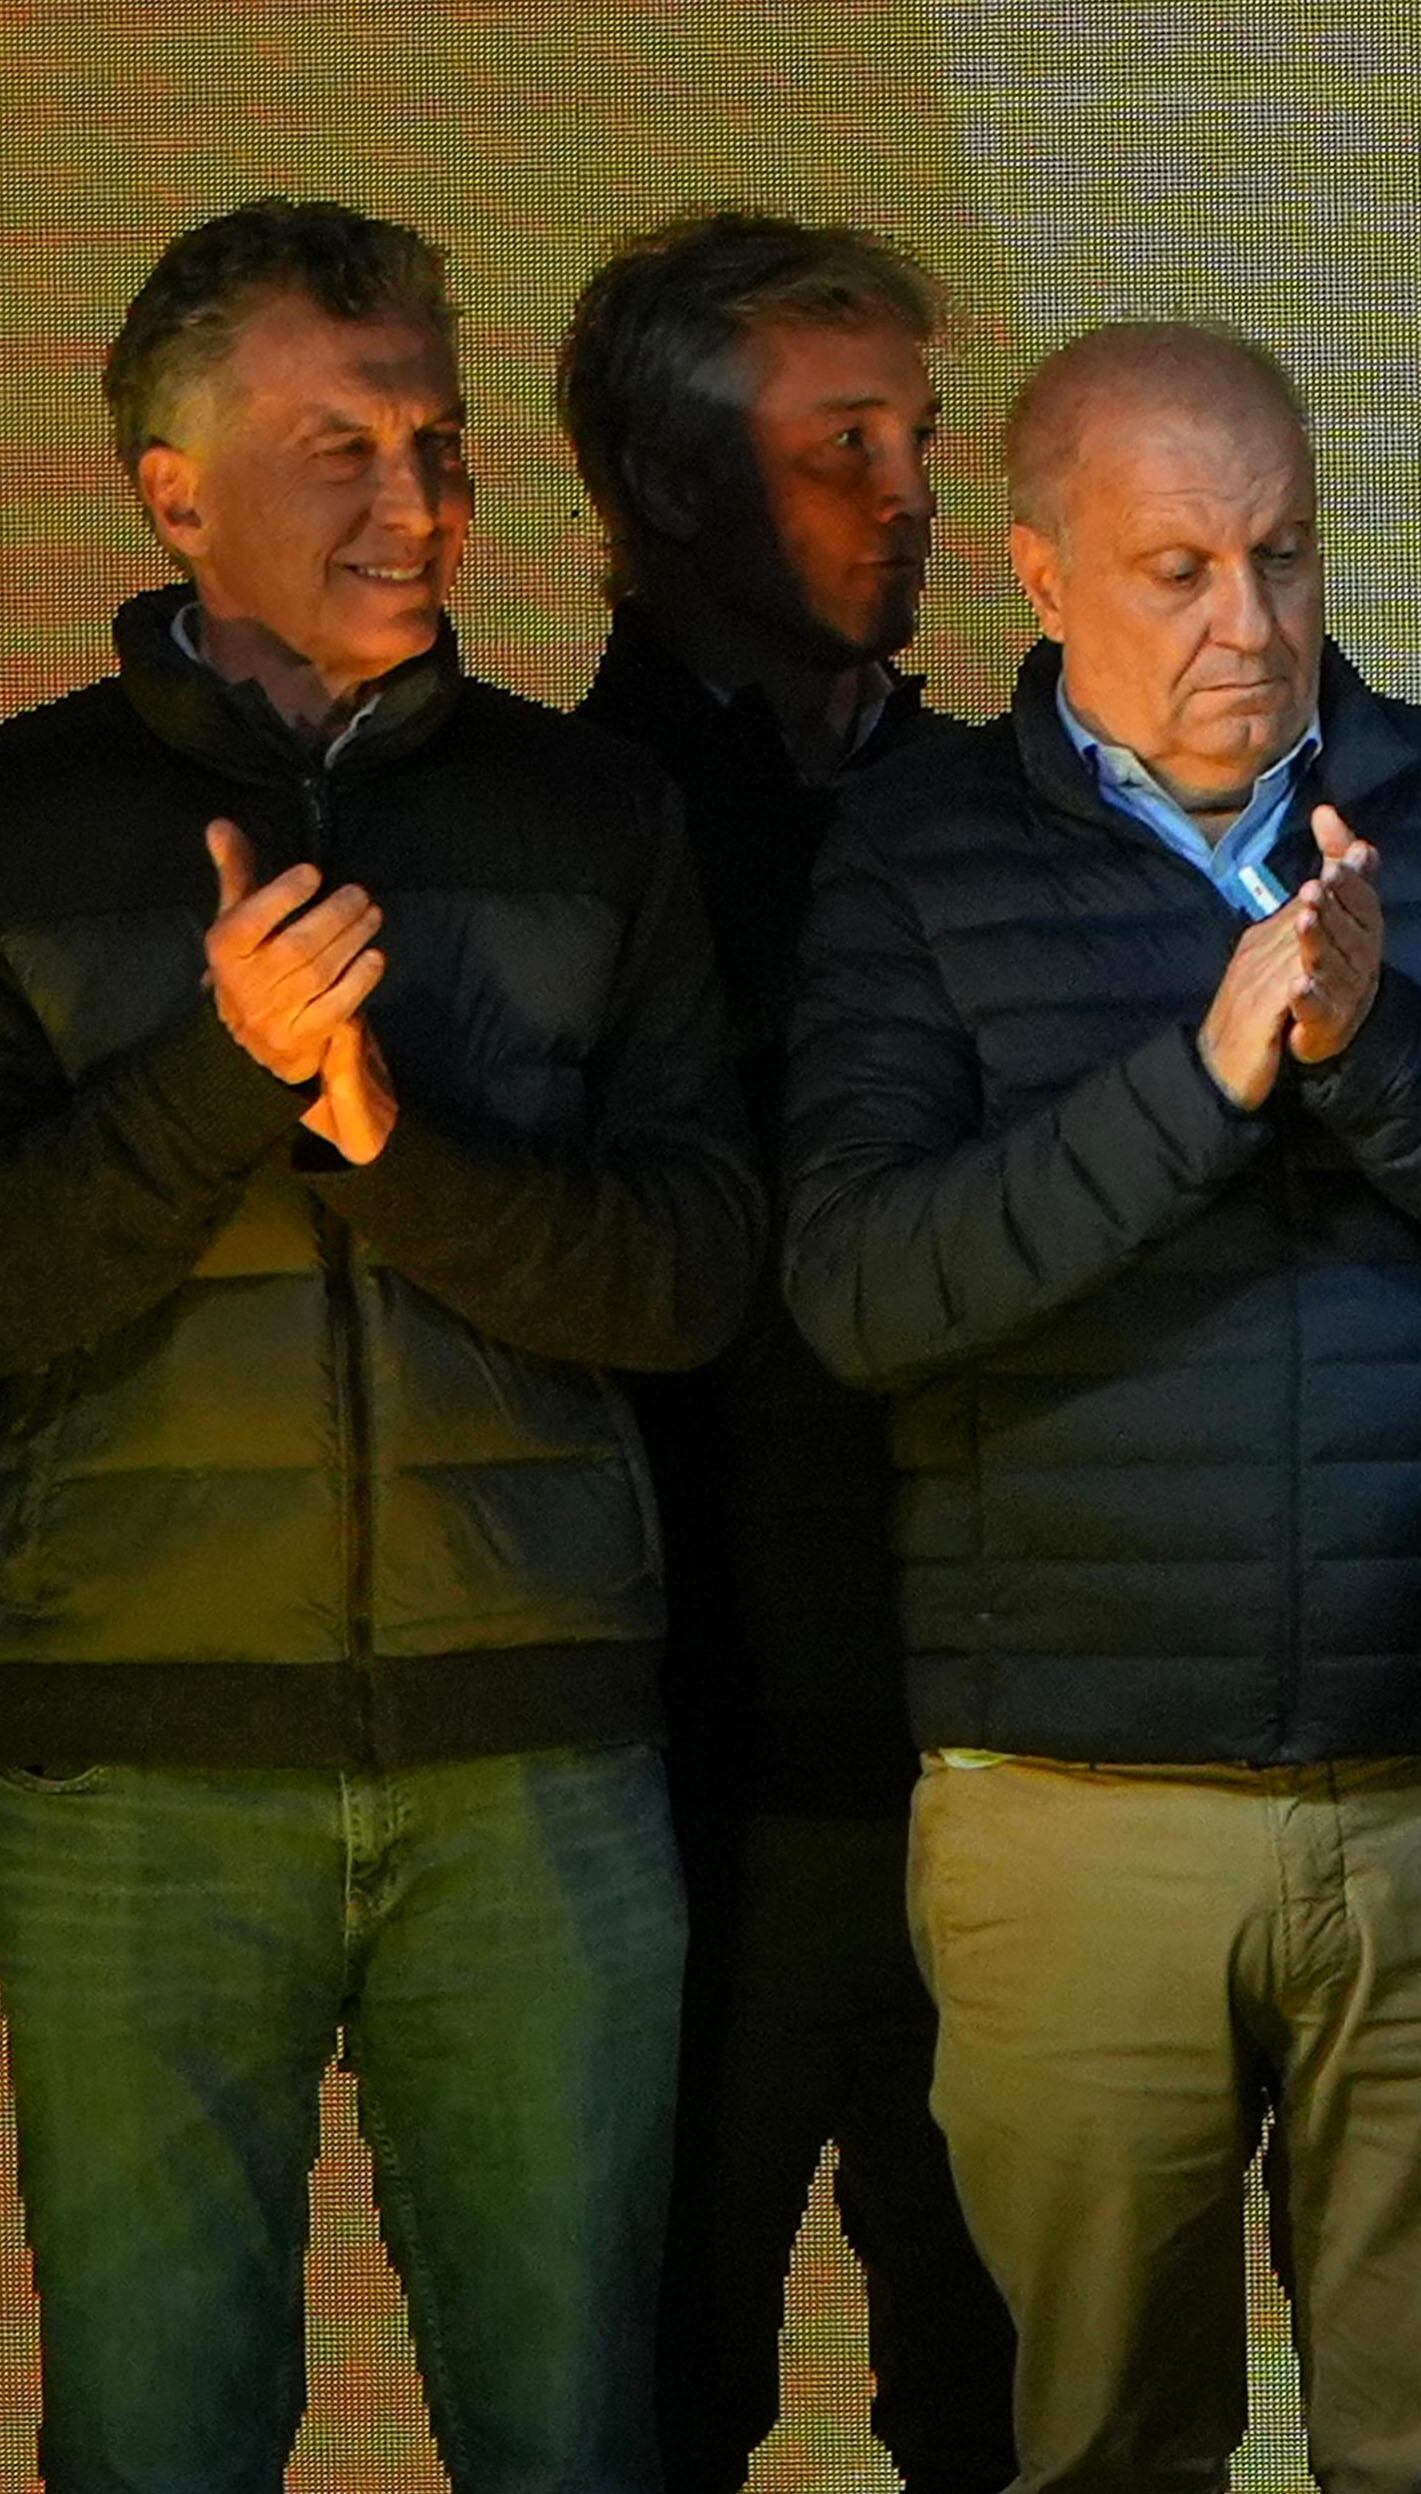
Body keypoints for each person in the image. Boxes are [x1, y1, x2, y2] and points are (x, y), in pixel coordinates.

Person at [781, 319, 1421, 2493]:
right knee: (1102, 2446)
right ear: (1036, 573)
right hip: (1071, 1813)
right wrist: (1201, 1074)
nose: (1251, 621)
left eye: (1281, 554)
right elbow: (860, 1286)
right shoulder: (919, 851)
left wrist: (1376, 1043)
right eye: (1176, 567)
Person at [0, 201, 756, 2486]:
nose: (418, 503)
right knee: (153, 2444)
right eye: (340, 444)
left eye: (438, 440)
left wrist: (376, 1132)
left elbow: (693, 1272)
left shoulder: (598, 813)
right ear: (172, 488)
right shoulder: (10, 826)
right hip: (136, 1776)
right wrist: (226, 1069)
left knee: (569, 2443)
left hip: (536, 1778)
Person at [553, 210, 1015, 2494]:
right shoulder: (545, 842)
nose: (909, 490)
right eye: (845, 443)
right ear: (666, 482)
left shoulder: (1005, 818)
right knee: (648, 2408)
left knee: (1023, 2418)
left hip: (1006, 1773)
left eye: (917, 439)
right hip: (673, 1790)